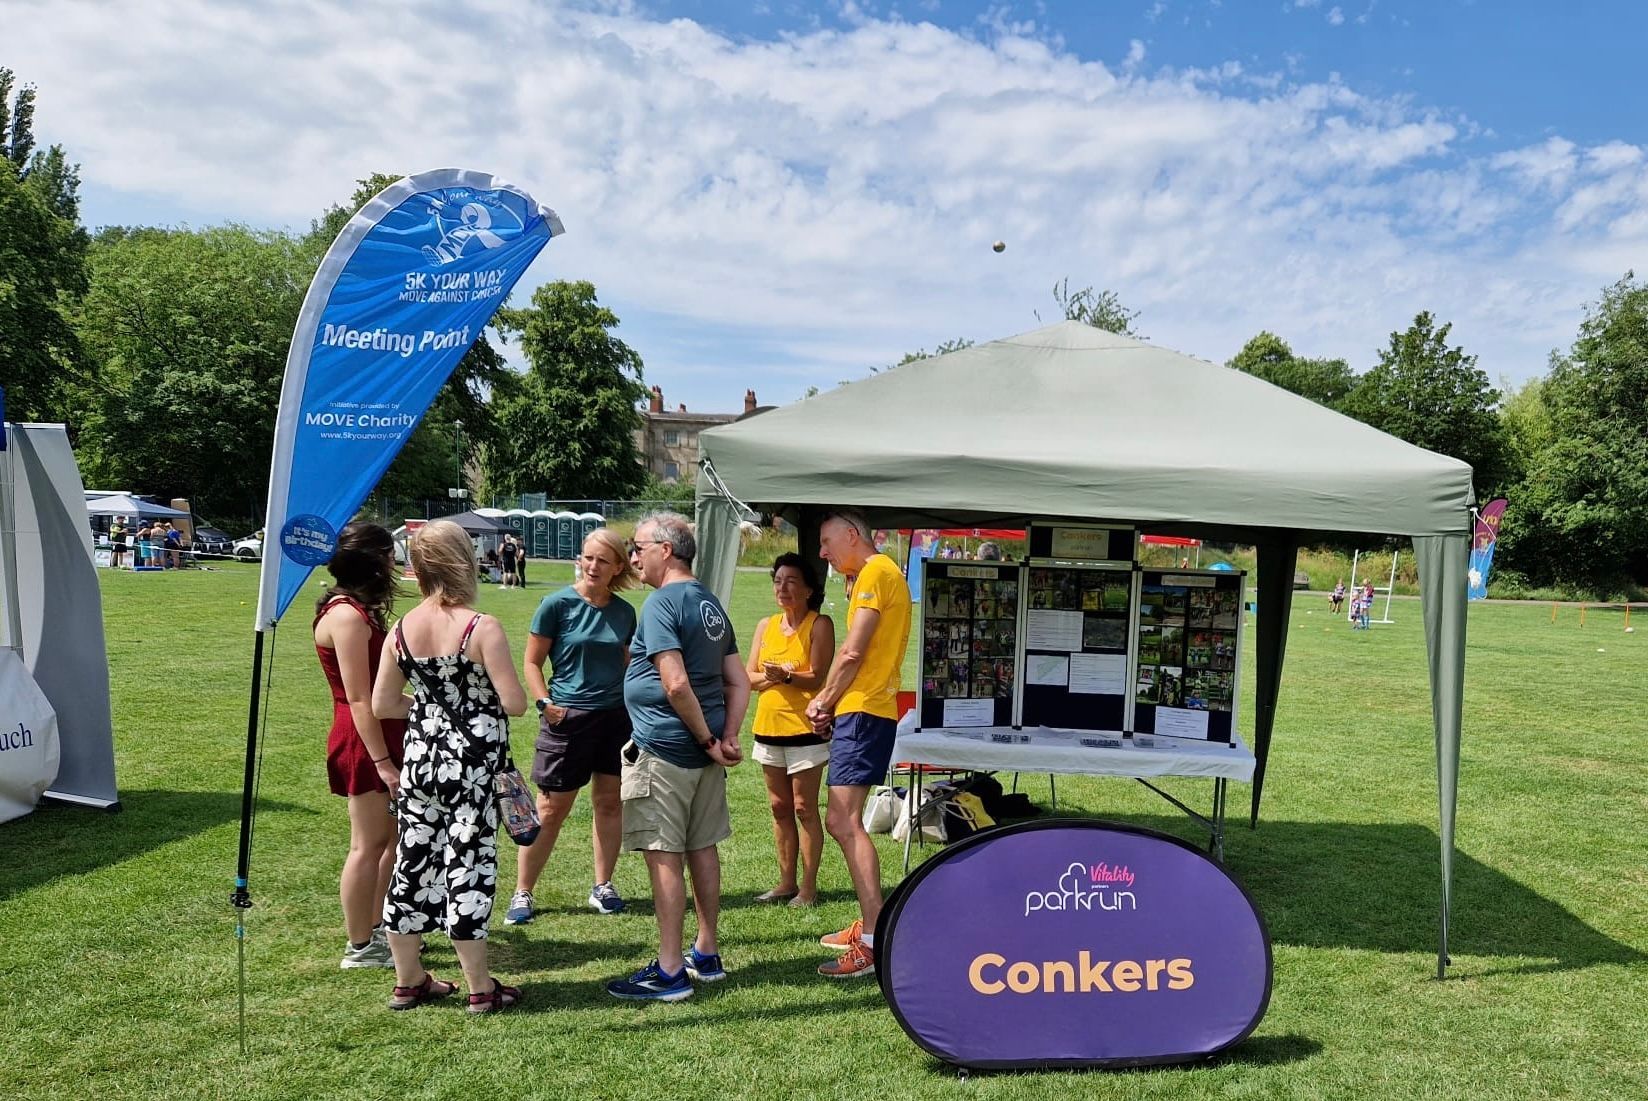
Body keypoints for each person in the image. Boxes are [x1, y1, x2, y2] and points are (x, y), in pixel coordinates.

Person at [371, 520, 529, 1013]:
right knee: (470, 868)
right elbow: (515, 702)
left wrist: (426, 707)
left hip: (420, 762)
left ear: (417, 569)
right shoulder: (481, 628)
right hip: (473, 768)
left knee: (412, 864)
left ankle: (408, 979)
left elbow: (382, 704)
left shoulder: (399, 631)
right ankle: (481, 986)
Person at [605, 511, 750, 1002]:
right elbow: (738, 680)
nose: (633, 557)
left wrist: (712, 740)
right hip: (703, 753)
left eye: (639, 547)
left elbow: (675, 682)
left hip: (666, 749)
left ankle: (669, 973)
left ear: (666, 550)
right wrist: (725, 736)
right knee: (702, 847)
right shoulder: (709, 603)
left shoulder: (663, 602)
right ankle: (705, 952)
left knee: (664, 857)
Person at [505, 527, 640, 926]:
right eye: (588, 557)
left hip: (615, 719)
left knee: (609, 803)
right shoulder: (556, 604)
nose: (593, 566)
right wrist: (545, 703)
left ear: (618, 566)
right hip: (568, 719)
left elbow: (630, 663)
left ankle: (603, 885)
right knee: (549, 810)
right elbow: (532, 662)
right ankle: (523, 891)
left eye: (603, 560)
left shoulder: (624, 612)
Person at [805, 509, 912, 979]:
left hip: (864, 710)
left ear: (853, 536)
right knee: (842, 821)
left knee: (843, 821)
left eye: (827, 542)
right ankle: (872, 926)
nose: (823, 552)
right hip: (866, 710)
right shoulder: (879, 573)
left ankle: (873, 938)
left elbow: (853, 650)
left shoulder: (875, 572)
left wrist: (823, 701)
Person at [313, 522, 407, 970]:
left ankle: (377, 930)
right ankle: (359, 945)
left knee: (388, 840)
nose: (394, 561)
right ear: (371, 560)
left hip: (379, 733)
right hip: (363, 739)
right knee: (366, 845)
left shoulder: (356, 609)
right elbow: (357, 698)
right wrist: (384, 762)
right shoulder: (347, 616)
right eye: (388, 553)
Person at [745, 553, 835, 907]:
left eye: (791, 581)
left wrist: (784, 676)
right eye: (778, 581)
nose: (783, 588)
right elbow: (750, 676)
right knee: (779, 807)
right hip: (767, 728)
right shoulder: (765, 626)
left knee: (803, 808)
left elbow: (818, 675)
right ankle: (785, 882)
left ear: (809, 589)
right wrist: (775, 679)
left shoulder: (819, 624)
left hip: (805, 730)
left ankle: (808, 888)